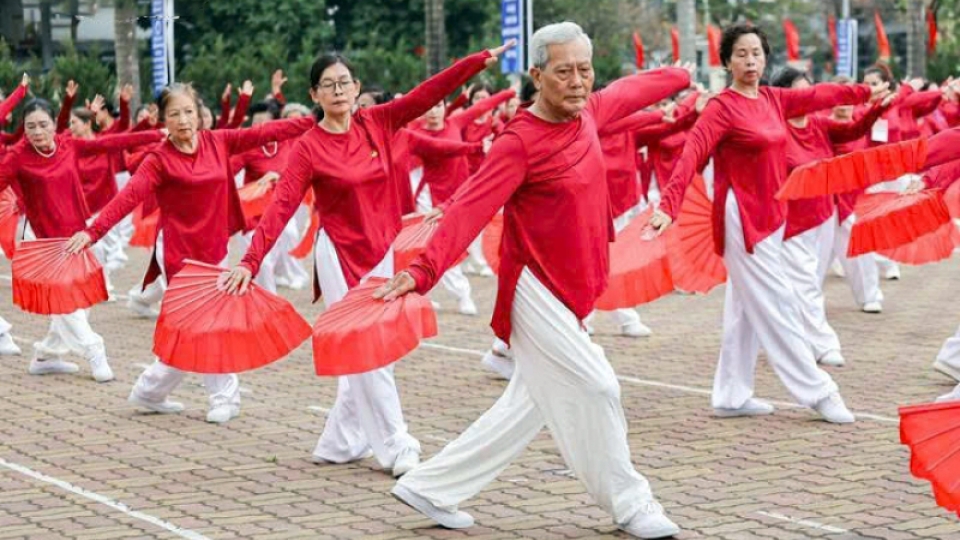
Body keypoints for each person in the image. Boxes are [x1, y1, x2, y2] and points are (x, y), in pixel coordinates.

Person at [372, 22, 693, 539]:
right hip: (533, 289)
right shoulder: (518, 143)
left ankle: (431, 487)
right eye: (563, 71)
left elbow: (629, 91)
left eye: (584, 69)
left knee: (526, 407)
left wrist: (679, 73)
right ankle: (633, 504)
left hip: (573, 292)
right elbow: (468, 208)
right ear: (538, 75)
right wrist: (422, 269)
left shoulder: (589, 112)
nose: (577, 81)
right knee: (598, 386)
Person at [222, 42, 518, 477]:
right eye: (328, 85)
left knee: (372, 349)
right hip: (340, 253)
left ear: (357, 87)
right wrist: (249, 261)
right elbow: (283, 204)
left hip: (383, 250)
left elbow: (424, 95)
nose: (338, 90)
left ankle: (339, 442)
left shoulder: (378, 122)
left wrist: (473, 63)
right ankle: (397, 445)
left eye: (344, 82)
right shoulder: (308, 146)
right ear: (315, 94)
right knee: (369, 348)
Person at [651, 23, 871, 424]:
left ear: (765, 58)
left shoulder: (772, 99)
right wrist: (669, 203)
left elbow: (815, 95)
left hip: (773, 213)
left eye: (756, 53)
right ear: (728, 61)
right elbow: (691, 154)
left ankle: (731, 394)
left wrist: (861, 92)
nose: (750, 61)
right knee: (778, 302)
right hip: (742, 217)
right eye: (741, 54)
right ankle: (819, 391)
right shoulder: (722, 107)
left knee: (744, 307)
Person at [67, 83, 314, 424]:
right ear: (163, 120)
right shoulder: (159, 159)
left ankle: (150, 391)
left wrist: (317, 119)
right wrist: (92, 232)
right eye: (174, 114)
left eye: (188, 112)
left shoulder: (218, 141)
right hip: (179, 253)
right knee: (210, 324)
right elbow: (129, 198)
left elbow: (266, 131)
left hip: (215, 249)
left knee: (193, 328)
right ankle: (224, 397)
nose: (182, 120)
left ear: (199, 114)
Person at [1, 94, 164, 383]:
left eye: (42, 125)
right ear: (23, 129)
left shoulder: (68, 146)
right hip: (43, 243)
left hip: (77, 237)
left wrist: (156, 134)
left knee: (78, 300)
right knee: (66, 299)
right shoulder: (18, 157)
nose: (37, 132)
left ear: (55, 125)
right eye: (30, 127)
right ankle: (94, 349)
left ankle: (46, 355)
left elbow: (108, 143)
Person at [770, 66, 893, 368]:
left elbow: (851, 130)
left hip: (823, 214)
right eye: (800, 92)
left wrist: (876, 110)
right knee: (806, 285)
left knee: (808, 283)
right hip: (792, 221)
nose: (808, 97)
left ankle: (787, 337)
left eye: (809, 91)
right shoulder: (773, 131)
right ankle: (823, 344)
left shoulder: (817, 124)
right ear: (784, 97)